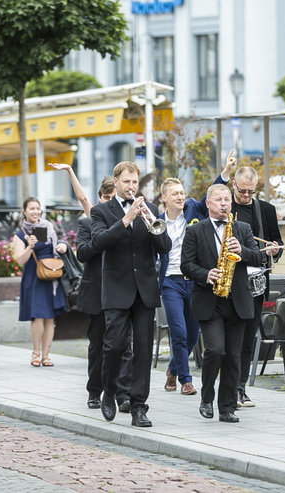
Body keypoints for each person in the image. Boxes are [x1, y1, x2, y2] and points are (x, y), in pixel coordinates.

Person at [90, 161, 171, 428]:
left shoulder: (151, 210)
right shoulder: (101, 211)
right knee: (113, 346)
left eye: (135, 182)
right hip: (116, 289)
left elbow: (164, 246)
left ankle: (139, 406)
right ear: (116, 183)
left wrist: (151, 223)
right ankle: (110, 391)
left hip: (144, 290)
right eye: (126, 182)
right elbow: (98, 242)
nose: (131, 187)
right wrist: (126, 219)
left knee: (144, 351)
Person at [180, 183, 261, 423]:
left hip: (237, 300)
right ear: (208, 203)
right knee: (215, 350)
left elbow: (257, 256)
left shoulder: (243, 228)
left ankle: (227, 408)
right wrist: (206, 274)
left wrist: (243, 250)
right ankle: (206, 396)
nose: (224, 203)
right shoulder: (195, 231)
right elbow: (186, 265)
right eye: (219, 199)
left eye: (227, 199)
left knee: (233, 356)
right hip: (210, 299)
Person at [213, 151, 282, 408]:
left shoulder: (266, 210)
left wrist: (275, 250)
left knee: (246, 340)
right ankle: (224, 387)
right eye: (242, 191)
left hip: (254, 283)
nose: (246, 197)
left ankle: (240, 387)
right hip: (225, 282)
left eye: (251, 192)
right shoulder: (223, 205)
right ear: (234, 186)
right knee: (223, 343)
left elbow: (278, 243)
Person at [73, 176, 134, 412]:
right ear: (100, 198)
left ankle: (123, 393)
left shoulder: (128, 221)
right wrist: (106, 236)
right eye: (106, 198)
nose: (110, 202)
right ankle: (94, 391)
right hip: (97, 292)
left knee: (124, 345)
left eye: (112, 198)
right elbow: (83, 253)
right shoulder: (88, 223)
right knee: (98, 345)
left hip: (121, 290)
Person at [157, 177, 208, 396]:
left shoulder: (193, 211)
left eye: (181, 192)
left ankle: (172, 369)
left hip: (193, 281)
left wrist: (224, 174)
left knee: (193, 334)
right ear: (164, 198)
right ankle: (186, 380)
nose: (180, 196)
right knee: (178, 331)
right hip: (170, 281)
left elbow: (210, 198)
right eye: (175, 193)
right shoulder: (157, 222)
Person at [12, 197, 69, 368]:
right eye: (31, 209)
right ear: (24, 211)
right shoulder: (21, 233)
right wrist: (30, 246)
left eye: (37, 208)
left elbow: (57, 245)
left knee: (49, 318)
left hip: (51, 276)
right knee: (37, 316)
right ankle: (35, 353)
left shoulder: (48, 227)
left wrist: (62, 247)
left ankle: (46, 355)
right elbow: (20, 260)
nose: (35, 212)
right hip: (34, 276)